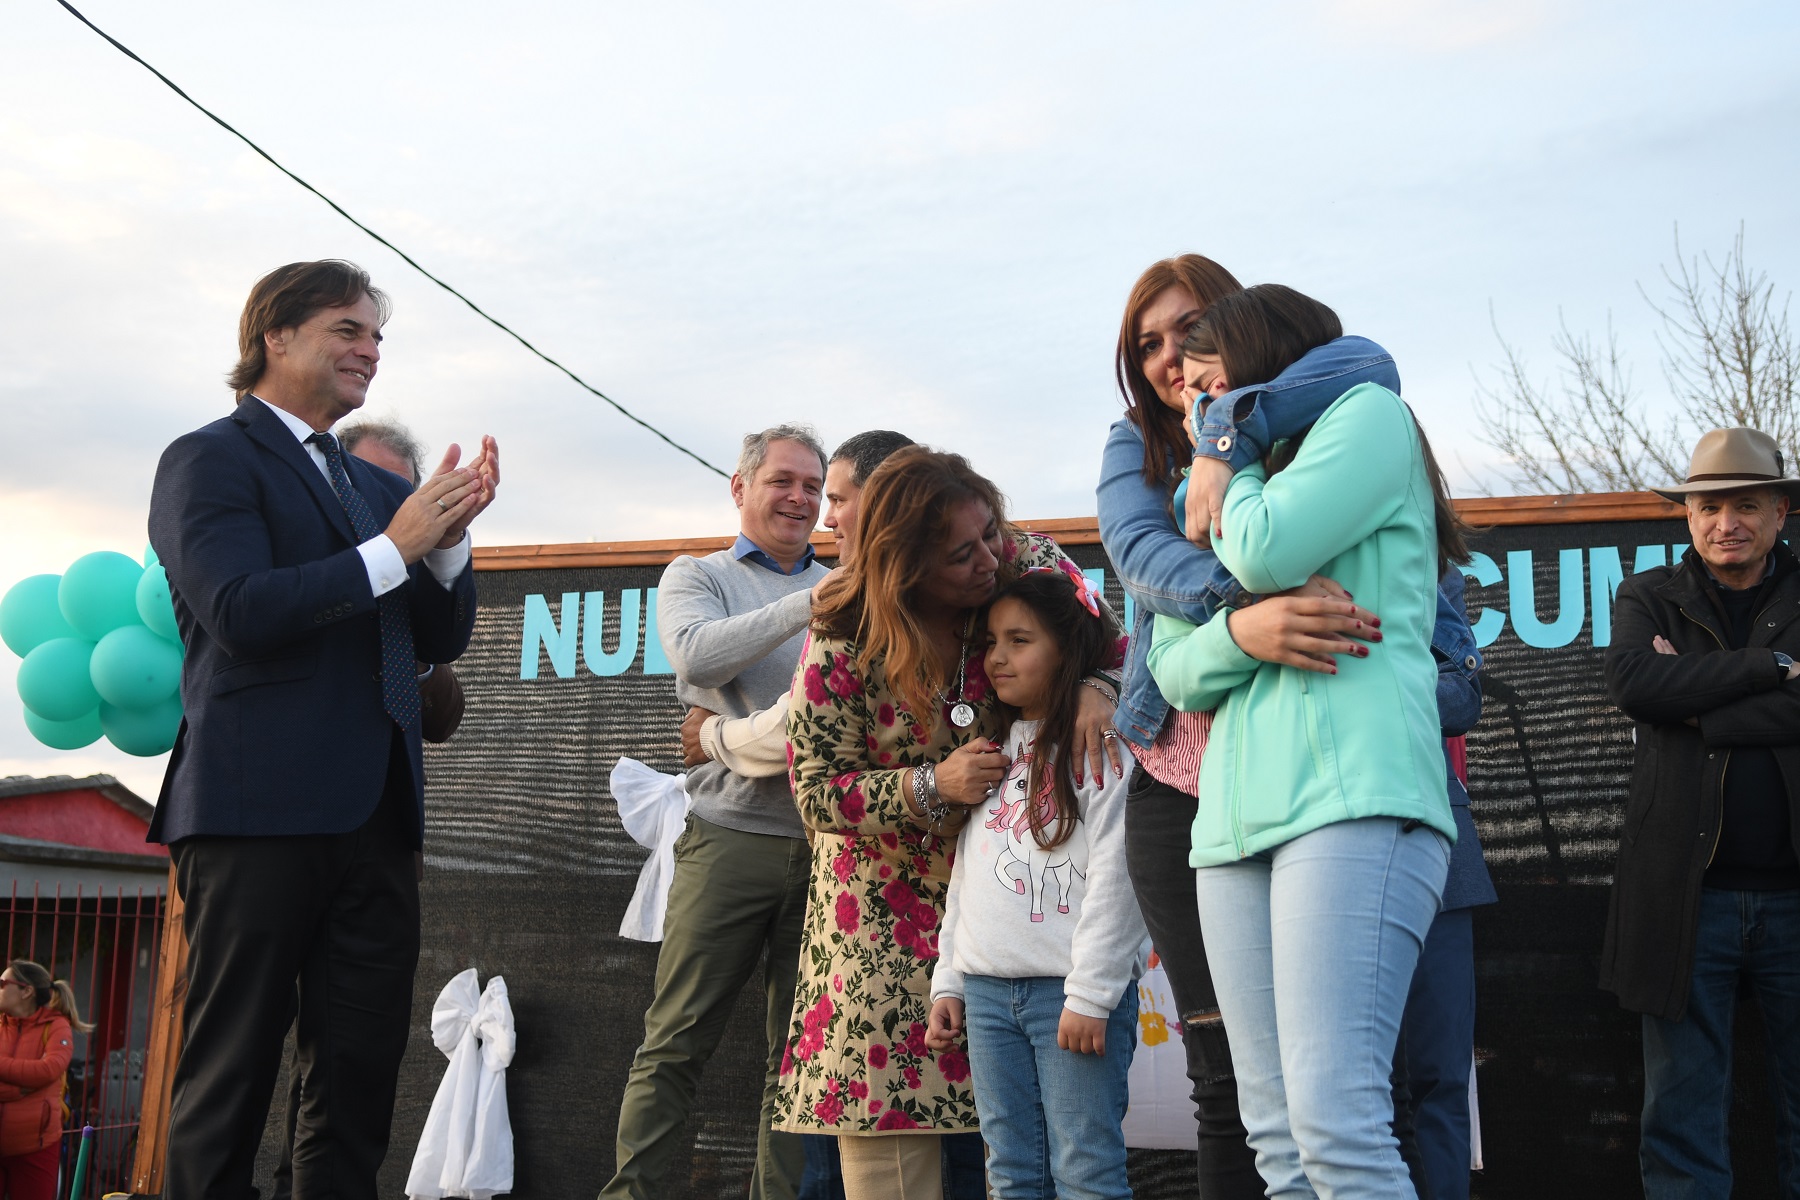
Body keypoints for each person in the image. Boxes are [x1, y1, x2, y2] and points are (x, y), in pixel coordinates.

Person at [147, 258, 495, 1199]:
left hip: (378, 817)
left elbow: (438, 637)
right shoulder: (208, 459)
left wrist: (448, 541)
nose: (370, 350)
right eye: (349, 329)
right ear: (276, 335)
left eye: (377, 336)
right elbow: (240, 611)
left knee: (356, 1080)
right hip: (256, 811)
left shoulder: (376, 490)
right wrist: (395, 547)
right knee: (232, 1072)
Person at [1147, 284, 1467, 1197]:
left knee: (1338, 1127)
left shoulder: (1366, 418)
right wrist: (1244, 634)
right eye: (1189, 396)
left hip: (1355, 798)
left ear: (1264, 369)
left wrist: (1227, 454)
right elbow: (1173, 673)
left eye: (1211, 386)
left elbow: (1265, 551)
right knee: (1278, 1142)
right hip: (1231, 830)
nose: (1197, 408)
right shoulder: (1202, 486)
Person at [1095, 254, 1392, 1198]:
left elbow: (1373, 359)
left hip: (1317, 784)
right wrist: (1253, 605)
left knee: (1336, 1099)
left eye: (1189, 331)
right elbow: (1142, 559)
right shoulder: (1132, 446)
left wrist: (1225, 441)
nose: (1170, 358)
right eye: (1147, 344)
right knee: (1231, 1086)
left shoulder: (1335, 421)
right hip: (1184, 791)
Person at [777, 447, 1118, 1200]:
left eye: (989, 532)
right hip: (880, 925)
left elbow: (1117, 642)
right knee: (893, 1163)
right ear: (905, 567)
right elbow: (817, 790)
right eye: (961, 555)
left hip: (1018, 919)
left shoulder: (1025, 561)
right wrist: (931, 786)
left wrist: (1099, 685)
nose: (989, 560)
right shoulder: (844, 630)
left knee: (1035, 1158)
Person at [603, 425, 831, 1200]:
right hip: (727, 839)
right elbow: (697, 655)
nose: (799, 498)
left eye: (813, 486)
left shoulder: (848, 586)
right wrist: (811, 603)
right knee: (674, 1043)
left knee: (798, 1059)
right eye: (782, 481)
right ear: (740, 488)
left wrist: (723, 733)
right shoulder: (697, 575)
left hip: (829, 849)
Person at [268, 415, 470, 1200]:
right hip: (275, 837)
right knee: (244, 1048)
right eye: (371, 486)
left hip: (378, 845)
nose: (390, 508)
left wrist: (406, 646)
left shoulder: (416, 595)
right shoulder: (297, 567)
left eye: (401, 493)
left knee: (349, 1061)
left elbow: (443, 712)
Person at [1601, 426, 1800, 1199]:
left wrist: (1693, 699)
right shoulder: (1648, 595)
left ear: (1780, 512)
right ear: (1688, 515)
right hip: (1684, 900)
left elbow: (1666, 697)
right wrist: (1768, 669)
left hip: (1794, 899)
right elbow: (1636, 687)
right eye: (1709, 506)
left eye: (1746, 505)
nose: (1726, 523)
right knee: (1680, 1125)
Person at [927, 567, 1147, 1200]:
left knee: (1086, 1171)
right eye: (990, 642)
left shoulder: (1102, 745)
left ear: (1068, 649)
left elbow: (1120, 877)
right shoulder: (989, 750)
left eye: (1019, 640)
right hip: (987, 995)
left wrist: (1093, 995)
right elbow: (968, 876)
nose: (997, 657)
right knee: (1010, 1172)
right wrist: (951, 979)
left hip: (1069, 996)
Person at [0, 961, 93, 1200]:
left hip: (37, 1147)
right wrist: (17, 1090)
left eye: (3, 983)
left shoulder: (55, 1026)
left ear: (26, 991)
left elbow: (49, 1070)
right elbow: (39, 1074)